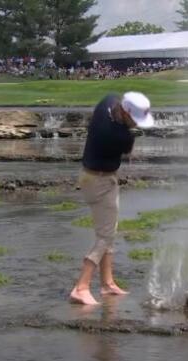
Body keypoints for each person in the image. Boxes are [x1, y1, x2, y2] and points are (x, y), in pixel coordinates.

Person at [70, 91, 155, 305]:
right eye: (135, 120)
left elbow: (112, 97)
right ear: (126, 112)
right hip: (101, 182)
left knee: (108, 231)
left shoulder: (106, 103)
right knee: (105, 236)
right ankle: (81, 287)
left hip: (91, 177)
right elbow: (128, 150)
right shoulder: (121, 137)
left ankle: (107, 284)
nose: (136, 125)